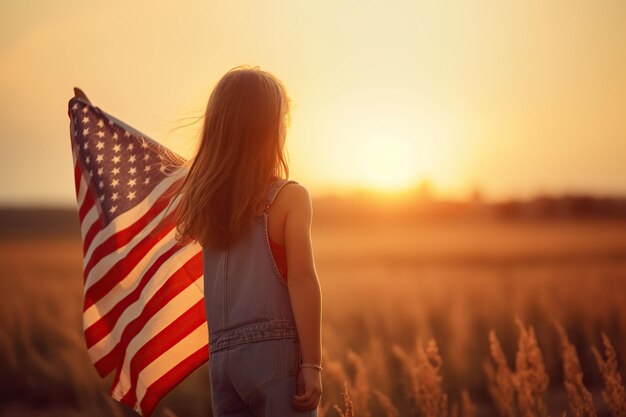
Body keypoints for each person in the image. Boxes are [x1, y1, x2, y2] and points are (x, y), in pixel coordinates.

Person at [171, 65, 323, 416]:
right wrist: (312, 365)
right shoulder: (288, 197)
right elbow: (302, 279)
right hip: (275, 358)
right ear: (270, 131)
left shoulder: (205, 202)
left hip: (223, 365)